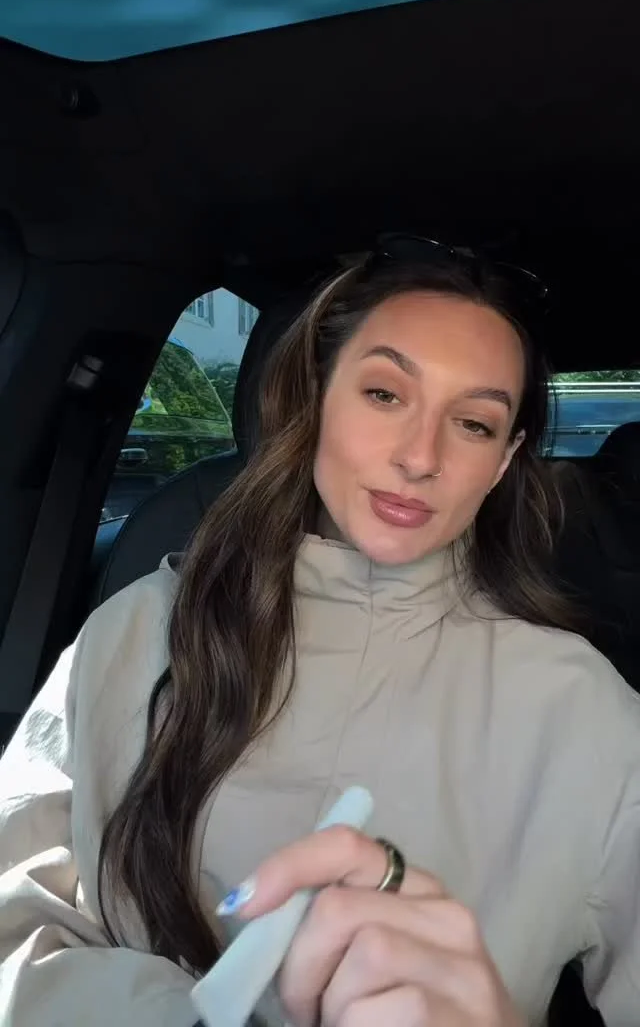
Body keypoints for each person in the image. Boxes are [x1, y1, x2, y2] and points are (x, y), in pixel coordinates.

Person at [0, 235, 638, 1027]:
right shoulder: (141, 630)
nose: (420, 457)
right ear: (316, 399)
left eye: (473, 424)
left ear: (503, 463)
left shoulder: (582, 709)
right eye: (384, 394)